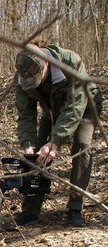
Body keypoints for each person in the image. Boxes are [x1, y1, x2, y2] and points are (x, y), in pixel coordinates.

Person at [13, 43, 102, 227]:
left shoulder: (71, 63)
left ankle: (76, 208)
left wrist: (55, 142)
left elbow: (74, 108)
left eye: (37, 77)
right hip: (51, 110)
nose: (31, 81)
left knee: (82, 146)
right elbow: (26, 115)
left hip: (85, 107)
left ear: (46, 64)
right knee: (37, 153)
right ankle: (30, 210)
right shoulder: (22, 76)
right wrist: (27, 144)